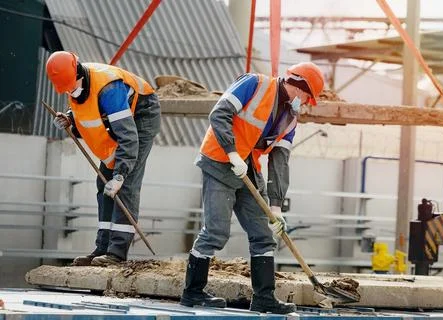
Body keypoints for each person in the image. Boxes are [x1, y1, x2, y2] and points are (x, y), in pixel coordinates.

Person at [179, 62, 324, 314]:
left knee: (264, 234)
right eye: (308, 97)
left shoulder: (290, 119)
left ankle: (264, 297)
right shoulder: (254, 84)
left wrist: (276, 207)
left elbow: (280, 162)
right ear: (300, 88)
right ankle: (192, 292)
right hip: (220, 161)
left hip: (249, 168)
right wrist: (232, 153)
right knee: (216, 232)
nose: (306, 104)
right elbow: (219, 114)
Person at [45, 51, 161, 266]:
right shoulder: (75, 83)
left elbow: (128, 137)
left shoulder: (109, 89)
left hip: (142, 114)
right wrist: (70, 119)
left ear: (78, 74)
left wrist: (121, 174)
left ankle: (116, 253)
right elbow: (86, 109)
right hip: (116, 117)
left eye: (70, 85)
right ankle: (102, 248)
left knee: (125, 184)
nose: (69, 90)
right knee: (104, 181)